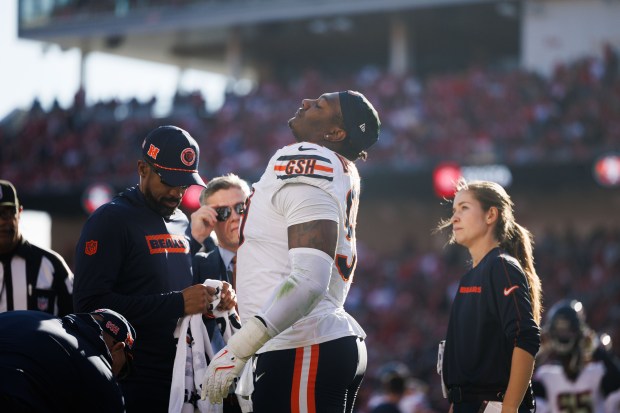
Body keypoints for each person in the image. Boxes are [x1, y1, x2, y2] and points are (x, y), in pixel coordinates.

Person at [201, 90, 380, 413]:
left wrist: (239, 348)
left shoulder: (308, 160)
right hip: (308, 342)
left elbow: (309, 279)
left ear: (335, 133)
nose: (308, 102)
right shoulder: (338, 168)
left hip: (302, 344)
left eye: (321, 105)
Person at [73, 125, 221, 412]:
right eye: (169, 181)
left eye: (184, 184)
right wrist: (177, 303)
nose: (177, 193)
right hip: (132, 383)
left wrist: (212, 300)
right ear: (142, 168)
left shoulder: (181, 221)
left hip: (184, 379)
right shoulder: (110, 220)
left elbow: (181, 293)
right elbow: (88, 306)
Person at [435, 179, 542, 413]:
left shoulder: (501, 266)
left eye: (464, 208)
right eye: (454, 210)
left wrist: (510, 407)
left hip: (493, 404)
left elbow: (525, 337)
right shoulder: (469, 277)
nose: (454, 218)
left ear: (491, 215)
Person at [189, 173, 251, 412]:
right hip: (224, 397)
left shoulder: (281, 260)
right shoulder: (196, 267)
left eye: (241, 207)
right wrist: (195, 239)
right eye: (223, 212)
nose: (235, 216)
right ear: (210, 219)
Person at [0, 308, 135, 412]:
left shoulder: (29, 316)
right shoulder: (101, 373)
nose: (117, 377)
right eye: (122, 370)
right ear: (118, 349)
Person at [532, 299, 620, 413]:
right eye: (560, 331)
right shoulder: (546, 376)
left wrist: (534, 356)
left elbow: (616, 386)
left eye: (567, 331)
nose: (563, 336)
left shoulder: (597, 373)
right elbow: (521, 396)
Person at [0, 179, 73, 315]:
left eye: (8, 212)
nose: (3, 220)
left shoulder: (51, 265)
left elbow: (78, 319)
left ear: (19, 212)